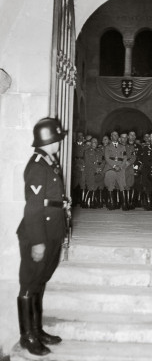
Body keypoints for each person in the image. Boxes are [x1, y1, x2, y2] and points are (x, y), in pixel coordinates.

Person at [16, 118, 69, 356]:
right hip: (38, 233)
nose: (60, 140)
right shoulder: (38, 164)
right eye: (58, 137)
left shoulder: (49, 162)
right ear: (50, 138)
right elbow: (33, 207)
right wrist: (37, 242)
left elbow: (50, 199)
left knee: (40, 281)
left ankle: (37, 330)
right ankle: (27, 336)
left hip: (51, 230)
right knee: (30, 283)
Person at [103, 131, 128, 210]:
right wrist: (114, 165)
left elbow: (125, 158)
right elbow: (107, 158)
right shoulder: (107, 147)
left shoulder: (122, 147)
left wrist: (120, 166)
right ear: (111, 137)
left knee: (122, 185)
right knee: (111, 185)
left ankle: (124, 204)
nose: (115, 136)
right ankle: (112, 203)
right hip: (111, 168)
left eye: (117, 134)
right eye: (114, 135)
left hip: (120, 168)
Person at [120, 132, 136, 209]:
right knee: (122, 185)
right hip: (121, 168)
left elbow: (134, 157)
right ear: (120, 138)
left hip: (129, 167)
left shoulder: (131, 147)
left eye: (126, 137)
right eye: (123, 137)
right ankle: (124, 203)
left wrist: (129, 162)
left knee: (129, 185)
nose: (124, 139)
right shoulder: (117, 147)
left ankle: (129, 203)